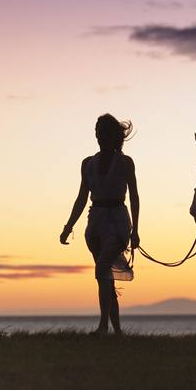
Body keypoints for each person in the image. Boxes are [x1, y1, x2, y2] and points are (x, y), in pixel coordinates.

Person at [60, 113, 140, 336]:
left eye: (104, 133)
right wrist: (68, 227)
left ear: (114, 136)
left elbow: (134, 196)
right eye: (97, 133)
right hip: (95, 221)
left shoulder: (125, 162)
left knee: (102, 269)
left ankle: (103, 326)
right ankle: (117, 330)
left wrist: (136, 231)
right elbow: (81, 198)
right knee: (105, 278)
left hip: (118, 220)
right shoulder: (88, 163)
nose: (99, 137)